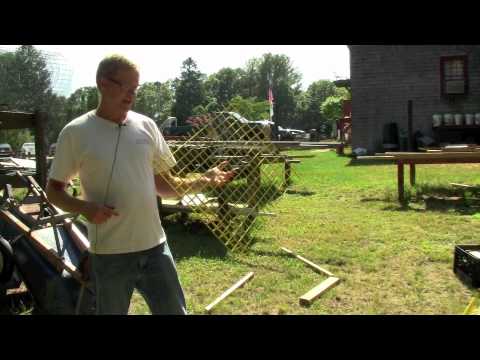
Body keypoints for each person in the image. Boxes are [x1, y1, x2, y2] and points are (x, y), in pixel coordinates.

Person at [46, 54, 234, 315]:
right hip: (110, 254)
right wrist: (86, 208)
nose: (131, 95)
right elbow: (53, 191)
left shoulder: (146, 126)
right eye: (125, 87)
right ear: (103, 83)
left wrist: (205, 179)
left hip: (156, 247)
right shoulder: (75, 133)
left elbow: (165, 186)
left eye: (135, 89)